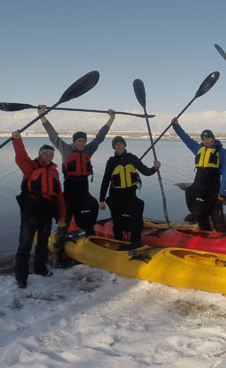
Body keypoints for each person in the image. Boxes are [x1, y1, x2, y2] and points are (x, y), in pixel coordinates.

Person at [38, 105, 116, 266]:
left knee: (93, 206)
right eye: (79, 140)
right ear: (74, 141)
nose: (82, 143)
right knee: (64, 221)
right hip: (70, 192)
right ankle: (58, 255)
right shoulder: (66, 149)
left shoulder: (88, 150)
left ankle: (91, 241)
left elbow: (100, 137)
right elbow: (53, 136)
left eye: (83, 141)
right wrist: (42, 115)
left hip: (84, 191)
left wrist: (111, 119)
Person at [12, 130, 66, 289]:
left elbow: (59, 197)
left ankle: (40, 269)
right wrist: (17, 140)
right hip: (31, 211)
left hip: (47, 212)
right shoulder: (30, 168)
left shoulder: (55, 173)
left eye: (51, 155)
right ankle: (21, 277)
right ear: (41, 155)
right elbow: (21, 157)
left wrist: (62, 216)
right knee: (25, 245)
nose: (49, 157)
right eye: (46, 154)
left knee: (42, 244)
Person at [98, 136, 161, 247]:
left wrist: (155, 168)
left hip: (131, 196)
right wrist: (101, 200)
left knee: (138, 217)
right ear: (114, 147)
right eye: (116, 144)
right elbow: (105, 180)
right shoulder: (111, 162)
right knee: (118, 223)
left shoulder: (132, 158)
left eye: (121, 143)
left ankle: (135, 242)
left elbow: (146, 171)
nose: (119, 146)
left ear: (124, 145)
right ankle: (119, 243)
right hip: (116, 197)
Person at [171, 118, 226, 233]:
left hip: (213, 190)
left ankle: (224, 237)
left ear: (213, 138)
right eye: (204, 139)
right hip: (200, 190)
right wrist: (176, 126)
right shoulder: (198, 149)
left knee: (217, 218)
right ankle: (205, 236)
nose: (206, 141)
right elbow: (186, 139)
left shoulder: (222, 152)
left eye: (209, 138)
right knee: (201, 217)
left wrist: (223, 193)